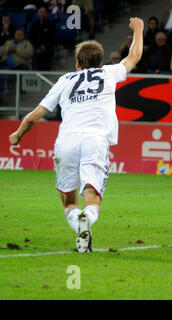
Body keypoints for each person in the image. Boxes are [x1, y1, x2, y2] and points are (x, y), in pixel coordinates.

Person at [8, 17, 144, 253]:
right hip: (95, 141)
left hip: (66, 142)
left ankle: (80, 229)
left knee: (69, 202)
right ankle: (87, 219)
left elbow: (33, 116)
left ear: (77, 63)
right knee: (92, 198)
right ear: (100, 62)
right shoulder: (109, 73)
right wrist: (139, 30)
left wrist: (18, 135)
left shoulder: (64, 80)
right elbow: (134, 57)